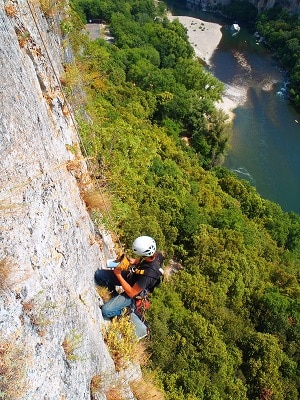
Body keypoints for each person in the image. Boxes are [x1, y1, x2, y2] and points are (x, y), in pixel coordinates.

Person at [94, 236, 164, 339]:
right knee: (99, 275)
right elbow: (142, 260)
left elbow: (131, 292)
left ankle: (127, 309)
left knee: (106, 311)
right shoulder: (154, 254)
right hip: (131, 278)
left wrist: (117, 274)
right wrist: (134, 261)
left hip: (134, 293)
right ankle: (116, 297)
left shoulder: (150, 274)